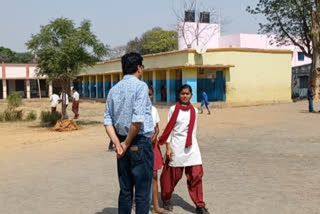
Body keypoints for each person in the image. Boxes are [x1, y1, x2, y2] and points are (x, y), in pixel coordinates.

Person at [104, 52, 154, 214]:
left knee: (125, 189)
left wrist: (118, 144)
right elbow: (138, 120)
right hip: (138, 142)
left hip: (121, 143)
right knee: (142, 192)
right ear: (139, 68)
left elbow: (108, 121)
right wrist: (126, 143)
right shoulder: (141, 86)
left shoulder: (113, 90)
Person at [159, 84, 210, 214]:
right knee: (171, 177)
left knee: (196, 175)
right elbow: (169, 130)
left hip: (192, 147)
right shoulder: (172, 109)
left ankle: (200, 205)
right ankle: (166, 198)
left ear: (191, 95)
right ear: (179, 95)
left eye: (187, 94)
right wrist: (168, 148)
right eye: (183, 93)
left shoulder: (194, 111)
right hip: (176, 146)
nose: (185, 96)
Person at [148, 85, 169, 214]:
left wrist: (155, 135)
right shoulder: (135, 109)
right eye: (146, 94)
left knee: (154, 175)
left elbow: (156, 127)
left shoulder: (153, 110)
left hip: (152, 145)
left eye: (150, 94)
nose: (148, 97)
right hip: (140, 145)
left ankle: (156, 207)